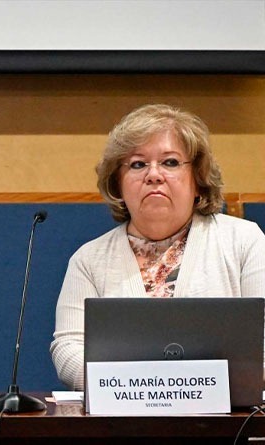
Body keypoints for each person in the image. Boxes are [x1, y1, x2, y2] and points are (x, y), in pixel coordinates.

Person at [50, 104, 265, 390]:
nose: (154, 175)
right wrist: (127, 386)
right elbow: (68, 347)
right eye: (138, 164)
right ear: (118, 184)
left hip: (226, 414)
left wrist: (199, 386)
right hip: (122, 412)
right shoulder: (89, 260)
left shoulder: (244, 240)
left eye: (170, 162)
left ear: (198, 179)